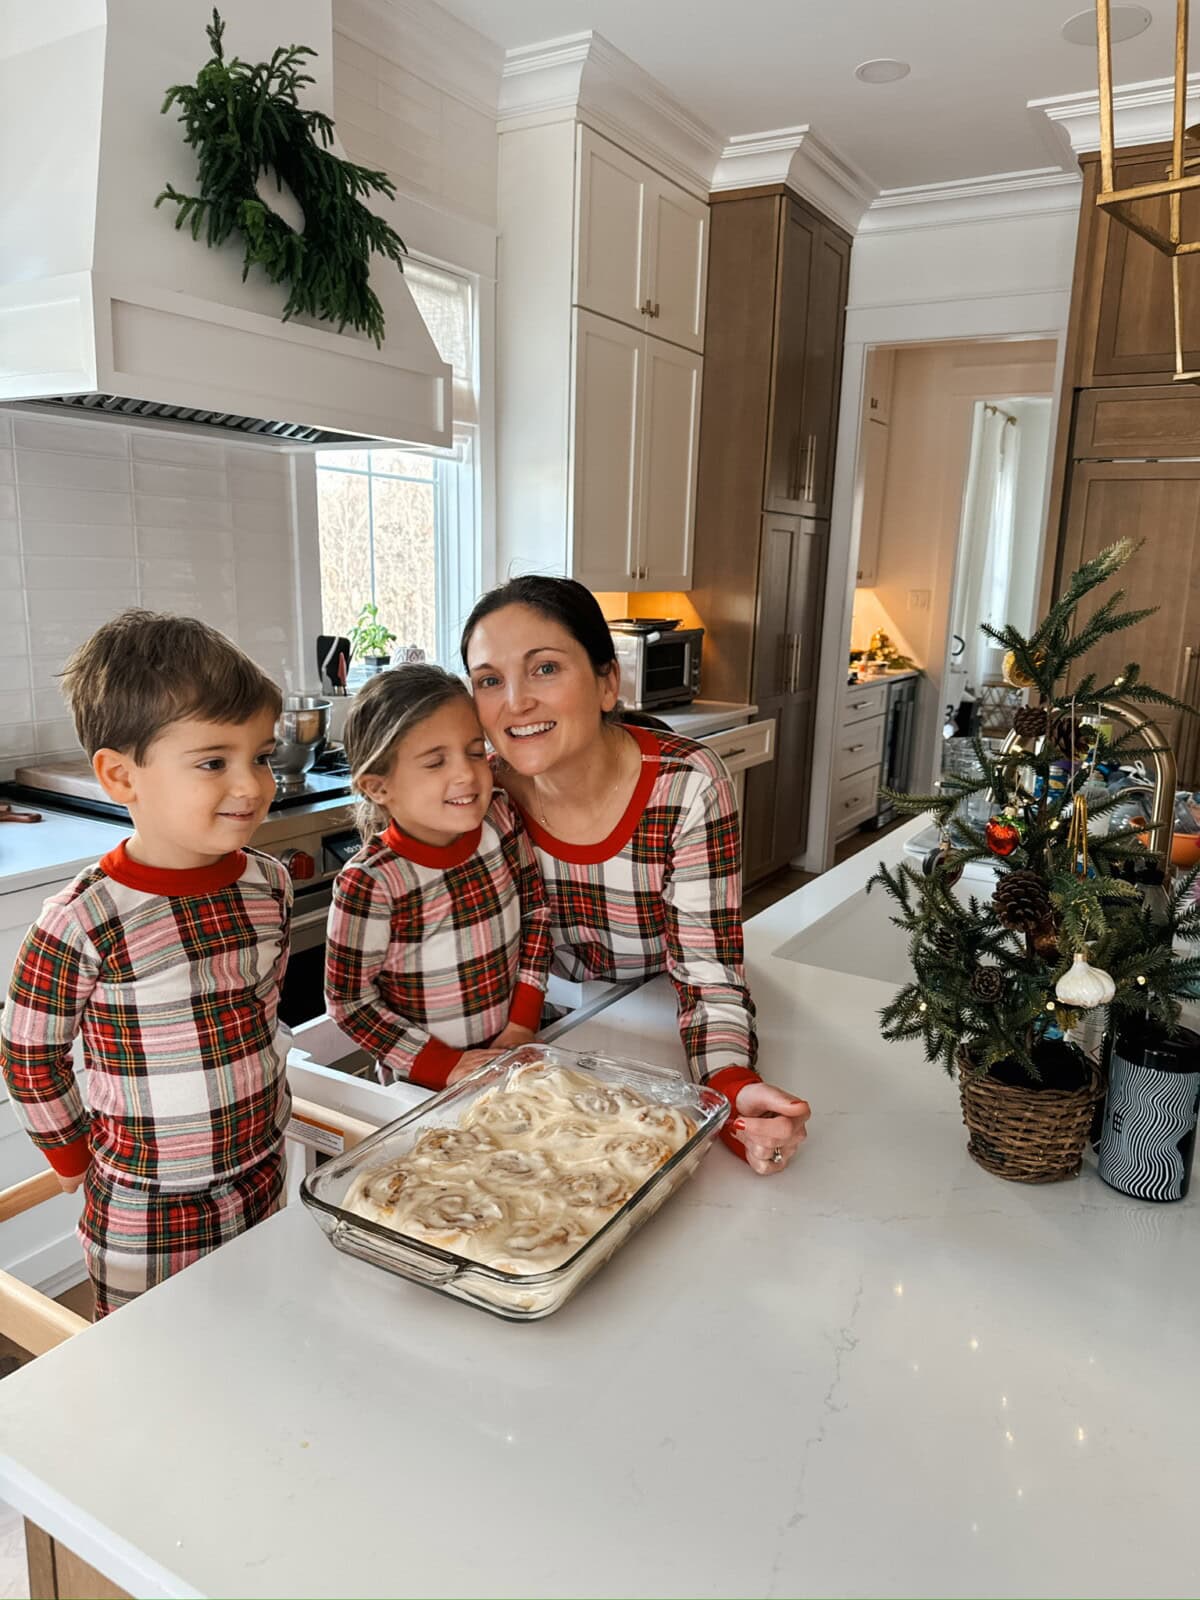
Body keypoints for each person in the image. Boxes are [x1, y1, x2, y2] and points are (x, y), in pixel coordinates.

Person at [461, 576, 811, 1176]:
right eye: (489, 680)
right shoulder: (476, 795)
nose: (514, 701)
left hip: (653, 1019)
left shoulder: (686, 784)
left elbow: (708, 974)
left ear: (606, 682)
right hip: (533, 1051)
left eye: (544, 669)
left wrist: (730, 1085)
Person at [0, 611, 291, 1317]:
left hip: (262, 1171)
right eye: (214, 761)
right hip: (145, 1205)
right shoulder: (81, 921)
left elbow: (260, 1010)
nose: (251, 784)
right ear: (120, 776)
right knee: (153, 1364)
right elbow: (27, 1053)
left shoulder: (269, 881)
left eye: (262, 755)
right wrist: (71, 1155)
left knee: (263, 1328)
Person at [325, 664, 551, 1090]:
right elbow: (349, 1003)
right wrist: (444, 1066)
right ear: (378, 787)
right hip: (423, 1090)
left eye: (472, 750)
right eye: (435, 762)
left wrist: (522, 1022)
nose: (466, 774)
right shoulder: (372, 883)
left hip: (516, 1058)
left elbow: (536, 914)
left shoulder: (499, 820)